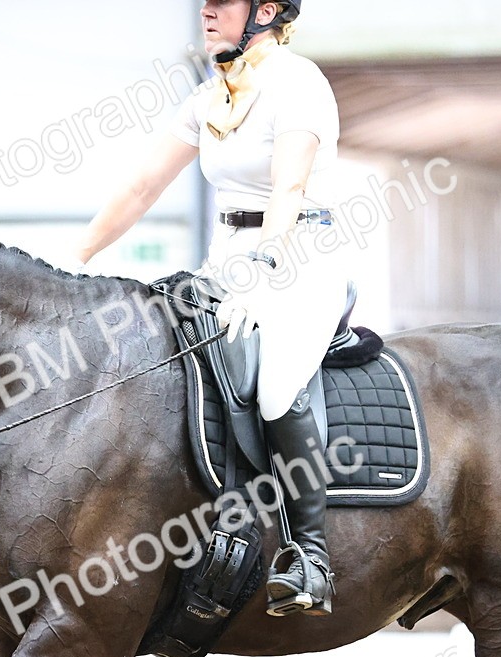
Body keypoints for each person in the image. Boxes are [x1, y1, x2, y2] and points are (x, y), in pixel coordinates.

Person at [73, 0, 347, 616]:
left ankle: (311, 559)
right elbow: (142, 186)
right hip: (224, 261)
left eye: (222, 1)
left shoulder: (298, 82)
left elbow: (289, 187)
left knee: (275, 389)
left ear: (265, 10)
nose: (206, 10)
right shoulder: (211, 96)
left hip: (300, 258)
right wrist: (78, 256)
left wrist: (265, 271)